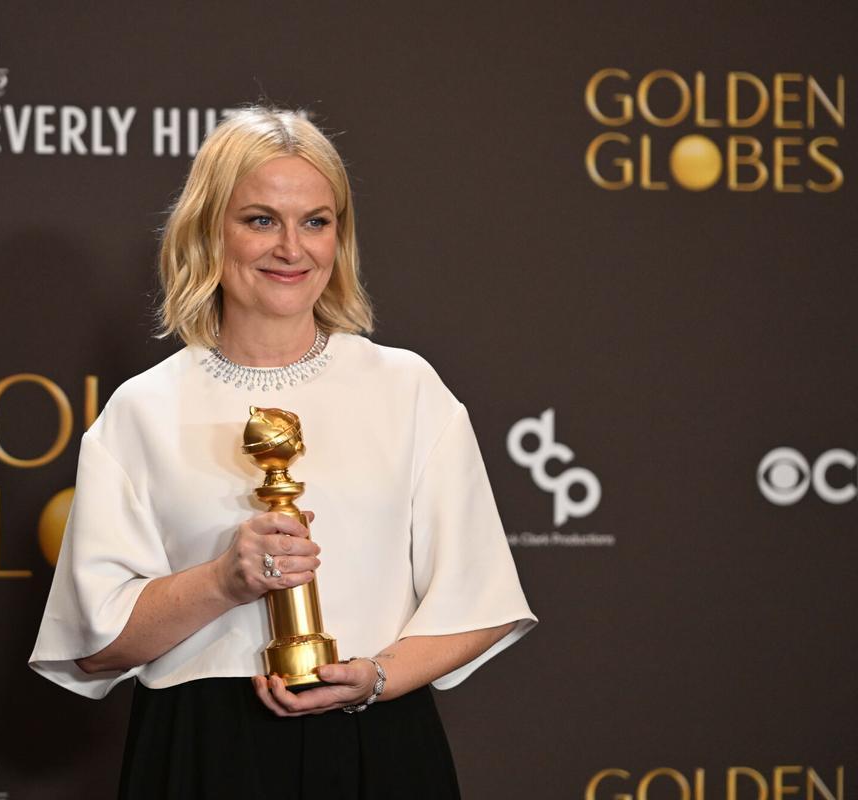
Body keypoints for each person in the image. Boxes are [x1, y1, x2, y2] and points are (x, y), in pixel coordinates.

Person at [29, 105, 537, 798]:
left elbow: (482, 604)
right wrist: (223, 582)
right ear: (210, 231)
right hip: (202, 751)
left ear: (340, 238)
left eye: (316, 221)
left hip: (376, 744)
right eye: (261, 219)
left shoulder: (407, 389)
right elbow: (93, 649)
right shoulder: (141, 410)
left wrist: (377, 677)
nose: (291, 248)